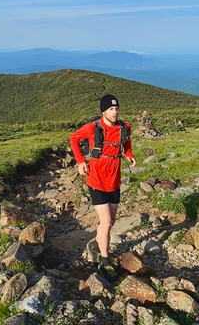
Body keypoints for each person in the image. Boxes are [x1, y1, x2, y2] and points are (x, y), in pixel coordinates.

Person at [70, 94, 136, 279]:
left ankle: (95, 246)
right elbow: (74, 138)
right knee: (106, 223)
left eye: (116, 109)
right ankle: (105, 262)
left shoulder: (124, 127)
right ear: (103, 111)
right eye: (111, 109)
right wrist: (80, 161)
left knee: (111, 222)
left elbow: (127, 144)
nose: (115, 112)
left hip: (114, 180)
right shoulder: (93, 128)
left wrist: (129, 155)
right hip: (96, 180)